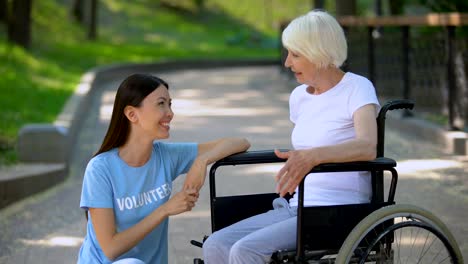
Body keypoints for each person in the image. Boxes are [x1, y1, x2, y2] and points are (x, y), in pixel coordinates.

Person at [202, 10, 380, 264]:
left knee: (245, 251)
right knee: (216, 244)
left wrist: (313, 157)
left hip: (338, 211)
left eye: (295, 54)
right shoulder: (299, 97)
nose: (287, 62)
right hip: (296, 207)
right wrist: (303, 160)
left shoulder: (357, 88)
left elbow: (367, 147)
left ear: (319, 53)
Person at [77, 73, 250, 264]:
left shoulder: (166, 156)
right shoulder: (100, 169)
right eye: (161, 104)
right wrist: (165, 210)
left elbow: (239, 142)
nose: (170, 113)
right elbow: (110, 249)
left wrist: (202, 161)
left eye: (170, 104)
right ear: (132, 114)